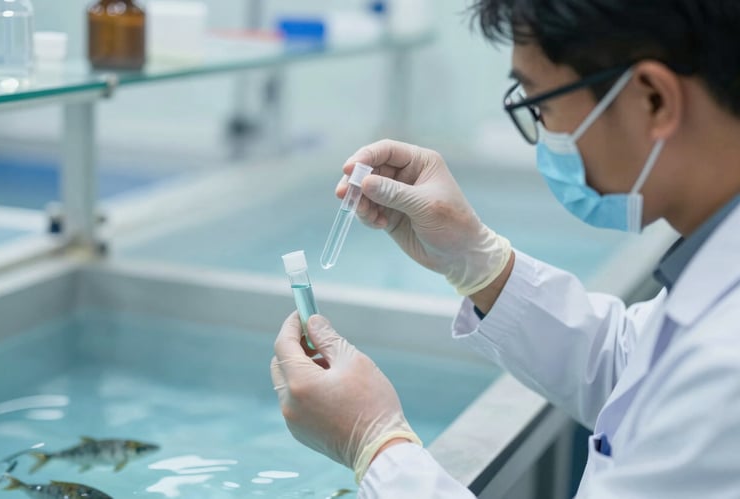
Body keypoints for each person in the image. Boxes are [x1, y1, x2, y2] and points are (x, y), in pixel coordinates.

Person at [270, 0, 740, 497]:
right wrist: (480, 263)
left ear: (653, 100)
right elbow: (635, 366)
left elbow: (692, 381)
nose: (543, 132)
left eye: (543, 104)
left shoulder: (726, 372)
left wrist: (377, 445)